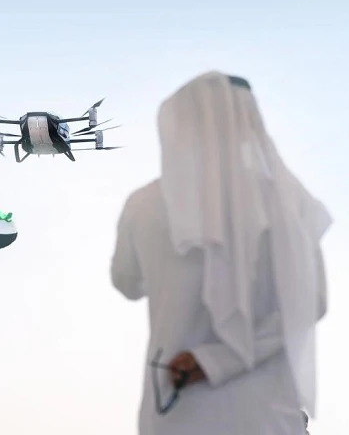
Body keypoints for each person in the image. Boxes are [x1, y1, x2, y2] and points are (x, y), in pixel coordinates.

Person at [110, 71, 332, 435]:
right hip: (266, 416)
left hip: (177, 409)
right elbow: (312, 302)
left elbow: (126, 282)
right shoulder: (290, 204)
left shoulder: (143, 205)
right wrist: (219, 359)